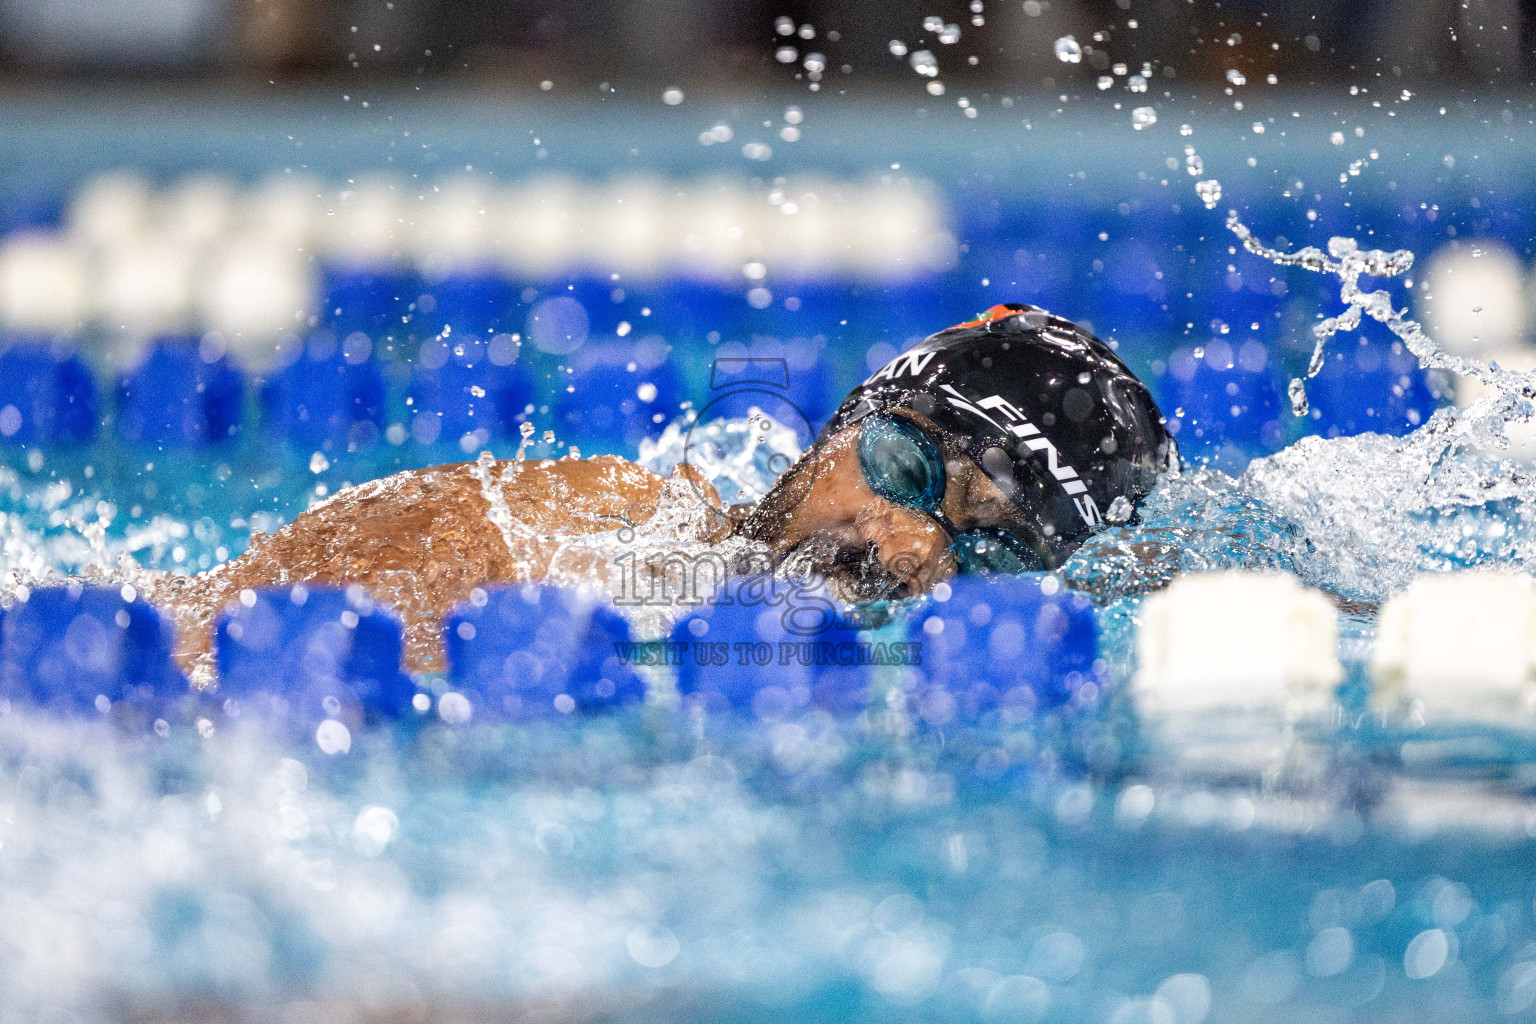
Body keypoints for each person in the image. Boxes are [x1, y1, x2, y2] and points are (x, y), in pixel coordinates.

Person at [155, 303, 1174, 678]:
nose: (911, 552)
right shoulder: (546, 533)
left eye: (990, 550)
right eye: (909, 469)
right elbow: (220, 654)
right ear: (845, 423)